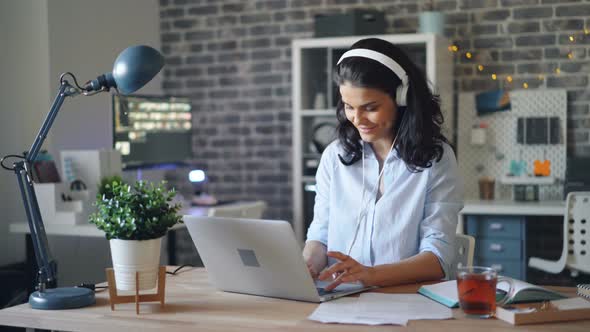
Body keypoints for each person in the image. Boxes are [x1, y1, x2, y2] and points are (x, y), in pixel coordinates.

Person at [302, 38, 463, 291]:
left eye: (370, 107)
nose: (357, 119)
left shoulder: (435, 159)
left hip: (407, 301)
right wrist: (308, 264)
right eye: (349, 106)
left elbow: (438, 258)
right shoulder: (334, 157)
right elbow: (320, 236)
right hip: (341, 300)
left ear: (402, 98)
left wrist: (371, 275)